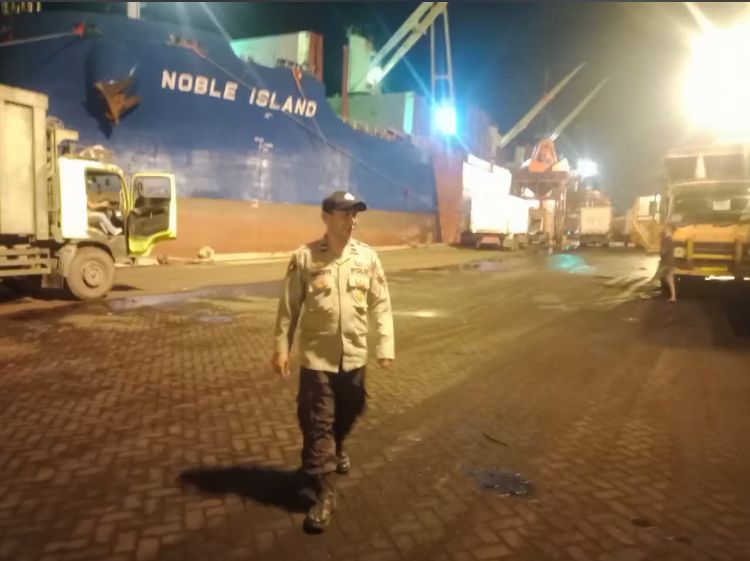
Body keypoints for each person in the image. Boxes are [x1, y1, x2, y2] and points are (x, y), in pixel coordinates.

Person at [272, 190, 395, 533]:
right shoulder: (305, 257)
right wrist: (282, 347)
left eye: (354, 215)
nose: (351, 221)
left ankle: (335, 448)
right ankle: (324, 493)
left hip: (355, 356)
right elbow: (289, 307)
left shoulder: (367, 257)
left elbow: (381, 303)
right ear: (326, 218)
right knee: (319, 422)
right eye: (344, 214)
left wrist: (385, 345)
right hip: (318, 359)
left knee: (352, 409)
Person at [655, 224, 677, 302]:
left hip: (666, 263)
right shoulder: (670, 239)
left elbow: (663, 251)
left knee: (656, 278)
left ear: (669, 230)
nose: (665, 229)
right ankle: (673, 297)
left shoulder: (667, 240)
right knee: (670, 279)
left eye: (667, 228)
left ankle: (646, 293)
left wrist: (659, 250)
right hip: (671, 262)